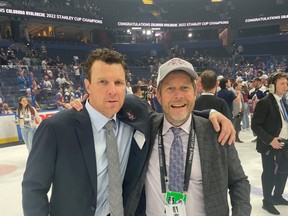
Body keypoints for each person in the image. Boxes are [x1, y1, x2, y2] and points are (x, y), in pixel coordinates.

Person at [23, 49, 235, 216]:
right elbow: (34, 188)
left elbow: (175, 110)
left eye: (118, 82)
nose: (112, 90)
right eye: (102, 82)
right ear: (88, 85)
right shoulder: (56, 128)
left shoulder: (133, 112)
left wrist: (210, 113)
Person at [138, 58, 251, 215]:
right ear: (158, 95)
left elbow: (239, 182)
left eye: (185, 88)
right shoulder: (145, 129)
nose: (178, 96)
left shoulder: (217, 132)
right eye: (170, 89)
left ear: (195, 92)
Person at [251, 72, 288, 215]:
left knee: (283, 171)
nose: (286, 86)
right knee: (269, 173)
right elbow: (256, 126)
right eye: (282, 83)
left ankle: (277, 196)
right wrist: (270, 140)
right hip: (270, 145)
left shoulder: (283, 101)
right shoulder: (265, 102)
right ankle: (267, 201)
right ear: (272, 86)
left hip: (285, 144)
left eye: (286, 83)